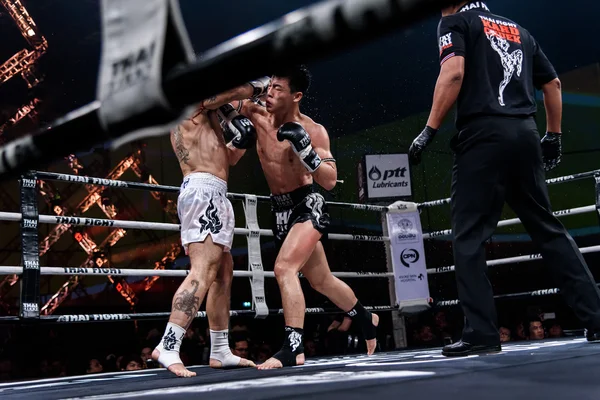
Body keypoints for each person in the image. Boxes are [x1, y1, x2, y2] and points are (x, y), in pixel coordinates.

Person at [408, 1, 600, 357]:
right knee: (548, 228)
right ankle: (598, 317)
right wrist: (553, 136)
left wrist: (429, 129)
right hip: (525, 135)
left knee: (467, 235)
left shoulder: (456, 23)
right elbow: (553, 83)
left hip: (482, 136)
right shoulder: (519, 30)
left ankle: (481, 332)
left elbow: (453, 73)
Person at [234, 65, 379, 369]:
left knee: (284, 268)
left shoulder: (313, 130)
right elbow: (218, 101)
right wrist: (252, 88)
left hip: (307, 205)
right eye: (269, 86)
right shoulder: (256, 114)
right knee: (321, 280)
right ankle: (365, 318)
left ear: (296, 96)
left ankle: (293, 347)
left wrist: (306, 151)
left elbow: (329, 180)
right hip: (278, 210)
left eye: (277, 89)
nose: (270, 93)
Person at [151, 78, 271, 377]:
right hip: (203, 192)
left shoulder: (204, 117)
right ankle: (168, 344)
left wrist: (239, 142)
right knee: (203, 270)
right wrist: (259, 85)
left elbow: (223, 160)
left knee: (222, 274)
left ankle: (219, 349)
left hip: (215, 191)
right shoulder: (187, 105)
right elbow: (229, 93)